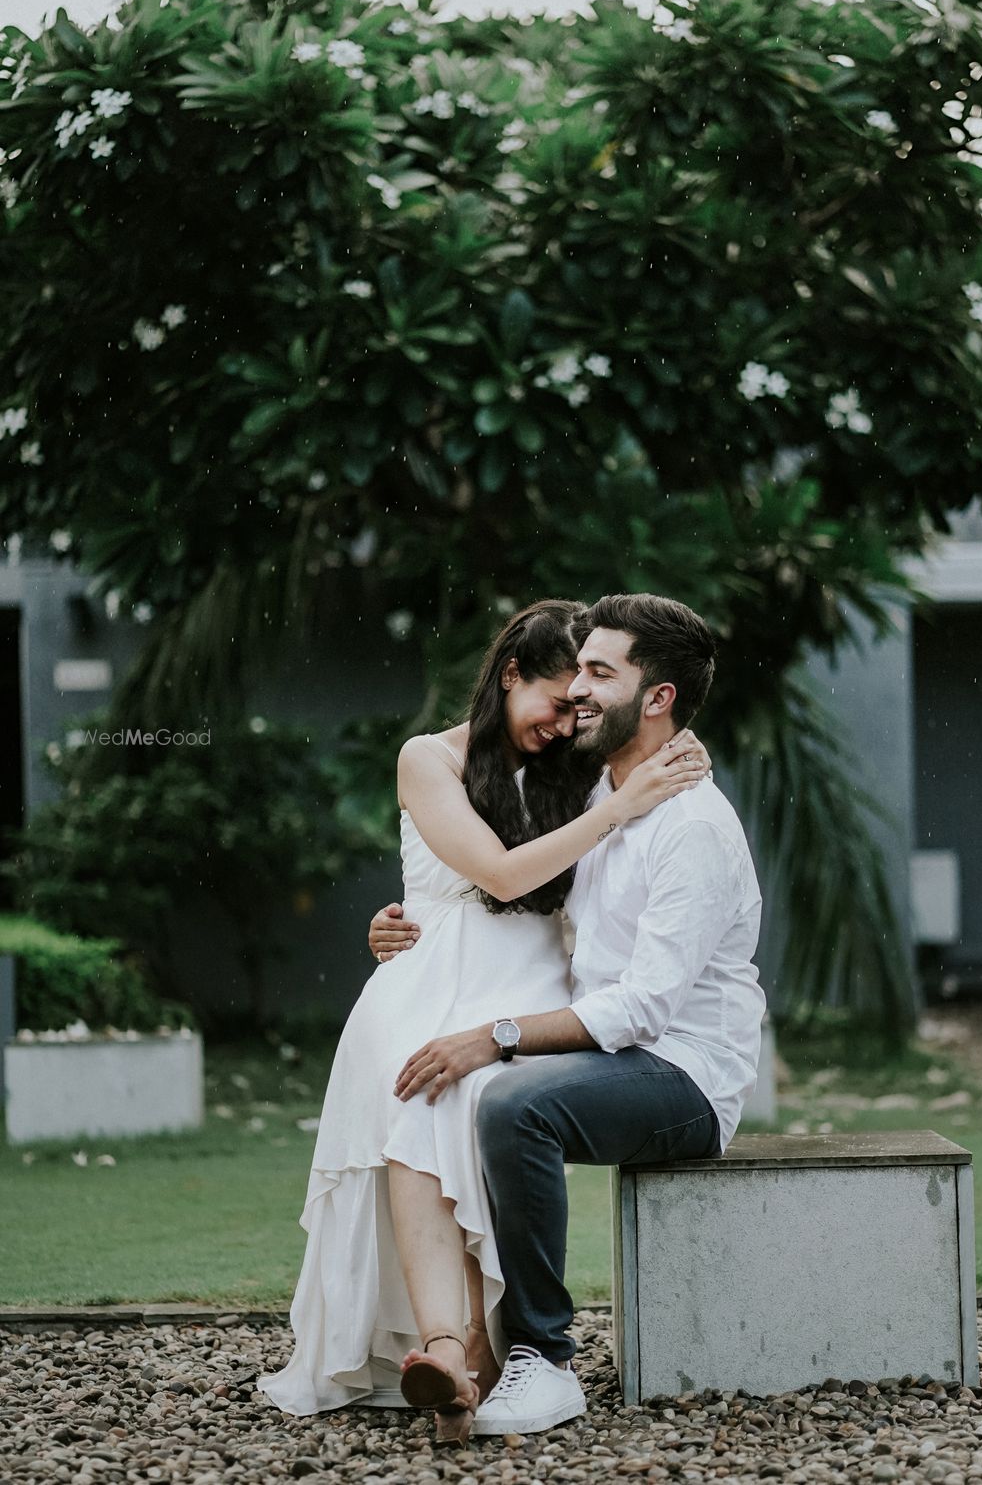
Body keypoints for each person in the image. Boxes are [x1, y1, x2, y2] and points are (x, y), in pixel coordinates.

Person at [256, 598, 710, 1440]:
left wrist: (658, 761)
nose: (565, 718)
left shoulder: (583, 768)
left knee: (480, 1100)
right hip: (429, 973)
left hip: (528, 985)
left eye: (583, 701)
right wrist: (389, 926)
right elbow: (497, 874)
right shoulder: (429, 757)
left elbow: (655, 753)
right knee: (418, 1096)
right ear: (508, 674)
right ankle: (449, 1349)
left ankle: (473, 1347)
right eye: (554, 697)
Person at [374, 592, 765, 1438]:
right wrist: (400, 921)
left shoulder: (689, 824)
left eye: (598, 672)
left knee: (515, 1100)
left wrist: (496, 1035)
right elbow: (504, 877)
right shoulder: (597, 794)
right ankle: (466, 1343)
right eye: (575, 670)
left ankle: (544, 1358)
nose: (576, 689)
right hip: (619, 1058)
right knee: (463, 1089)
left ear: (656, 698)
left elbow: (646, 1008)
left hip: (684, 1074)